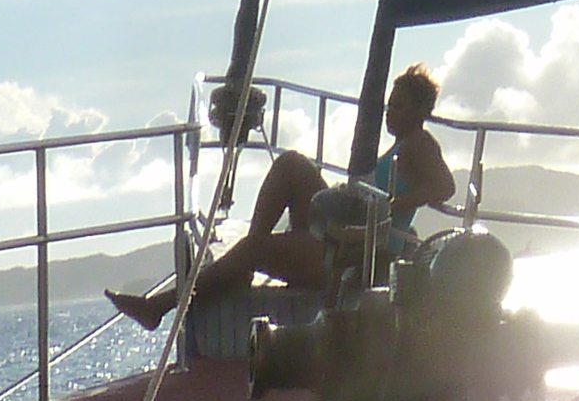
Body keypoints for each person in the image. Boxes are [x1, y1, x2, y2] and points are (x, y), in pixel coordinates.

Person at [109, 65, 454, 329]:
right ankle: (247, 257)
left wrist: (390, 207)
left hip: (356, 255)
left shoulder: (420, 144)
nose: (389, 112)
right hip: (348, 234)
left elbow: (445, 187)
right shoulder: (402, 145)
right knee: (292, 163)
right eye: (389, 105)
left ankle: (161, 306)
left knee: (252, 250)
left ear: (421, 111)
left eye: (399, 107)